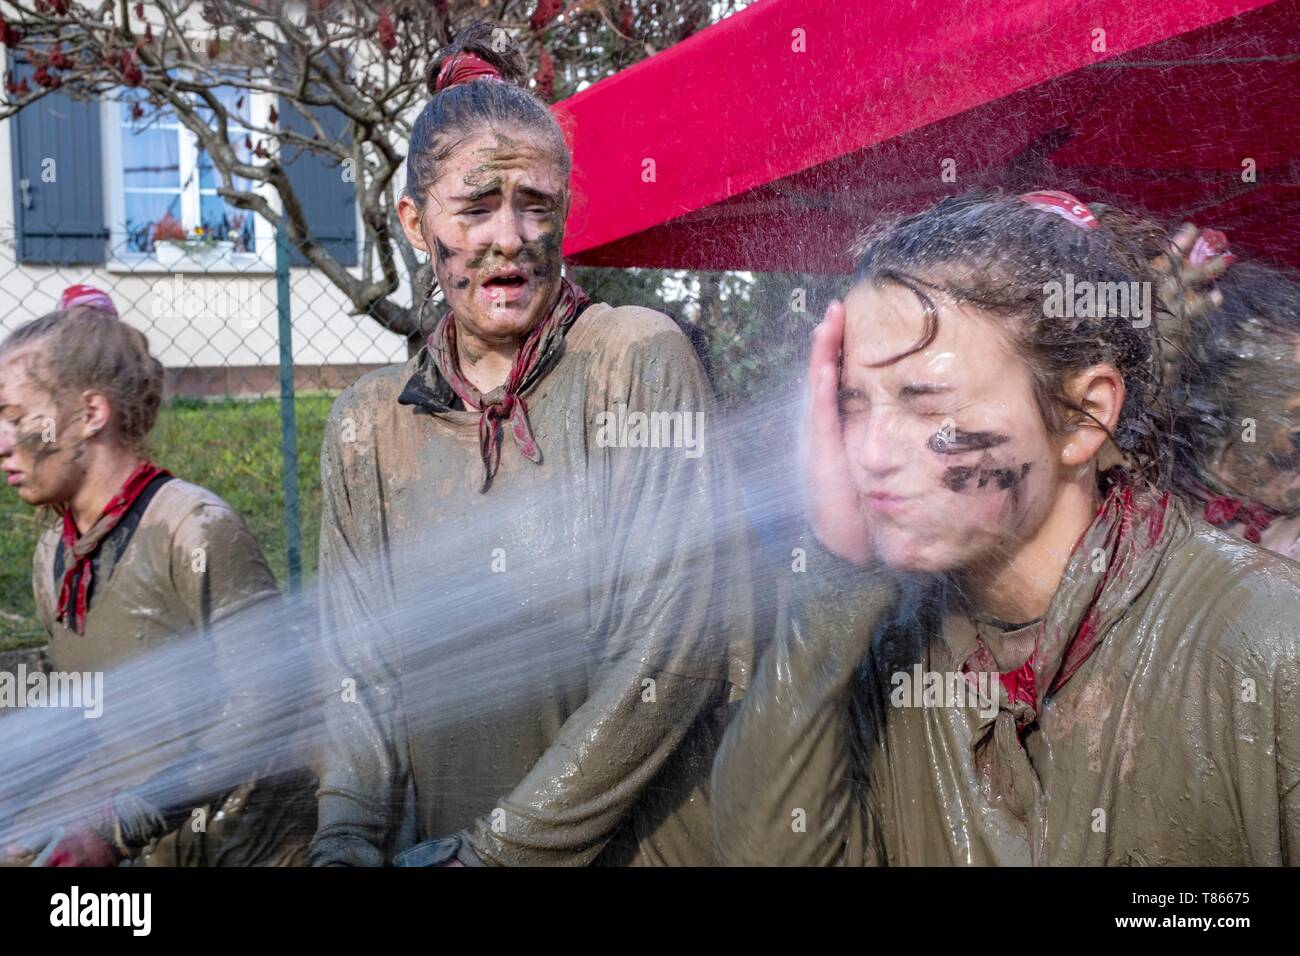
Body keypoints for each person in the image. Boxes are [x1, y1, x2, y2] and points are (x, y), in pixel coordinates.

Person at [711, 190, 1300, 865]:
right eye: (853, 404)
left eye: (925, 403)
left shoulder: (1271, 641)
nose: (870, 453)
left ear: (1083, 417)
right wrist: (835, 575)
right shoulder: (878, 645)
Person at [310, 24, 759, 867]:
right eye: (476, 207)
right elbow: (358, 677)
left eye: (537, 204)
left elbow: (674, 660)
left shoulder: (633, 359)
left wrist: (494, 857)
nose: (509, 236)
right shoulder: (371, 424)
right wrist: (343, 839)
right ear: (414, 221)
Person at [0, 297, 315, 866]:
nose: (2, 441)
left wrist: (119, 823)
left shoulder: (193, 529)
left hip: (247, 852)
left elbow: (270, 702)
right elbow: (80, 699)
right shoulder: (57, 552)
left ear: (91, 414)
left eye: (17, 418)